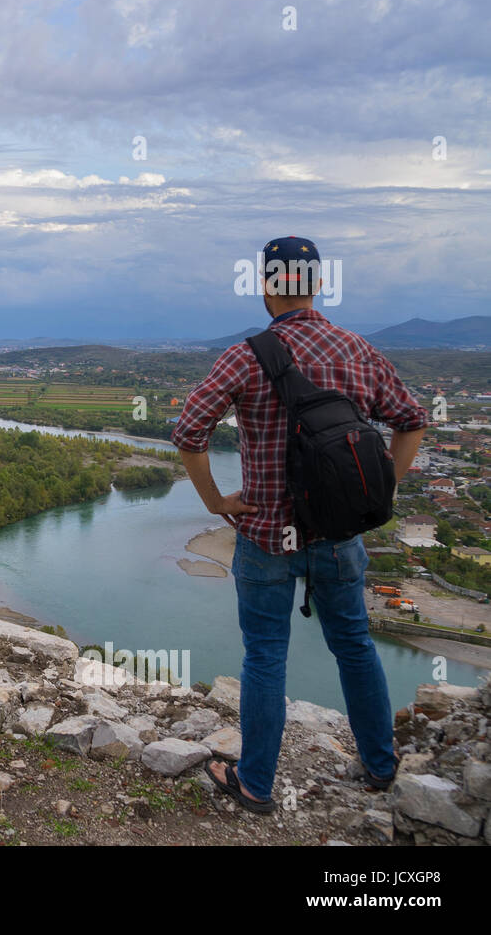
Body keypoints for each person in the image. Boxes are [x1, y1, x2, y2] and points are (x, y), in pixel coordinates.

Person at [171, 236, 428, 814]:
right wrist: (383, 486)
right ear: (317, 285)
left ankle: (257, 785)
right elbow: (411, 421)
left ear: (266, 286)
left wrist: (216, 502)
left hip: (265, 536)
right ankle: (380, 767)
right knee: (356, 647)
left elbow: (189, 433)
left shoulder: (246, 355)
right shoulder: (358, 350)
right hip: (339, 538)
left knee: (265, 655)